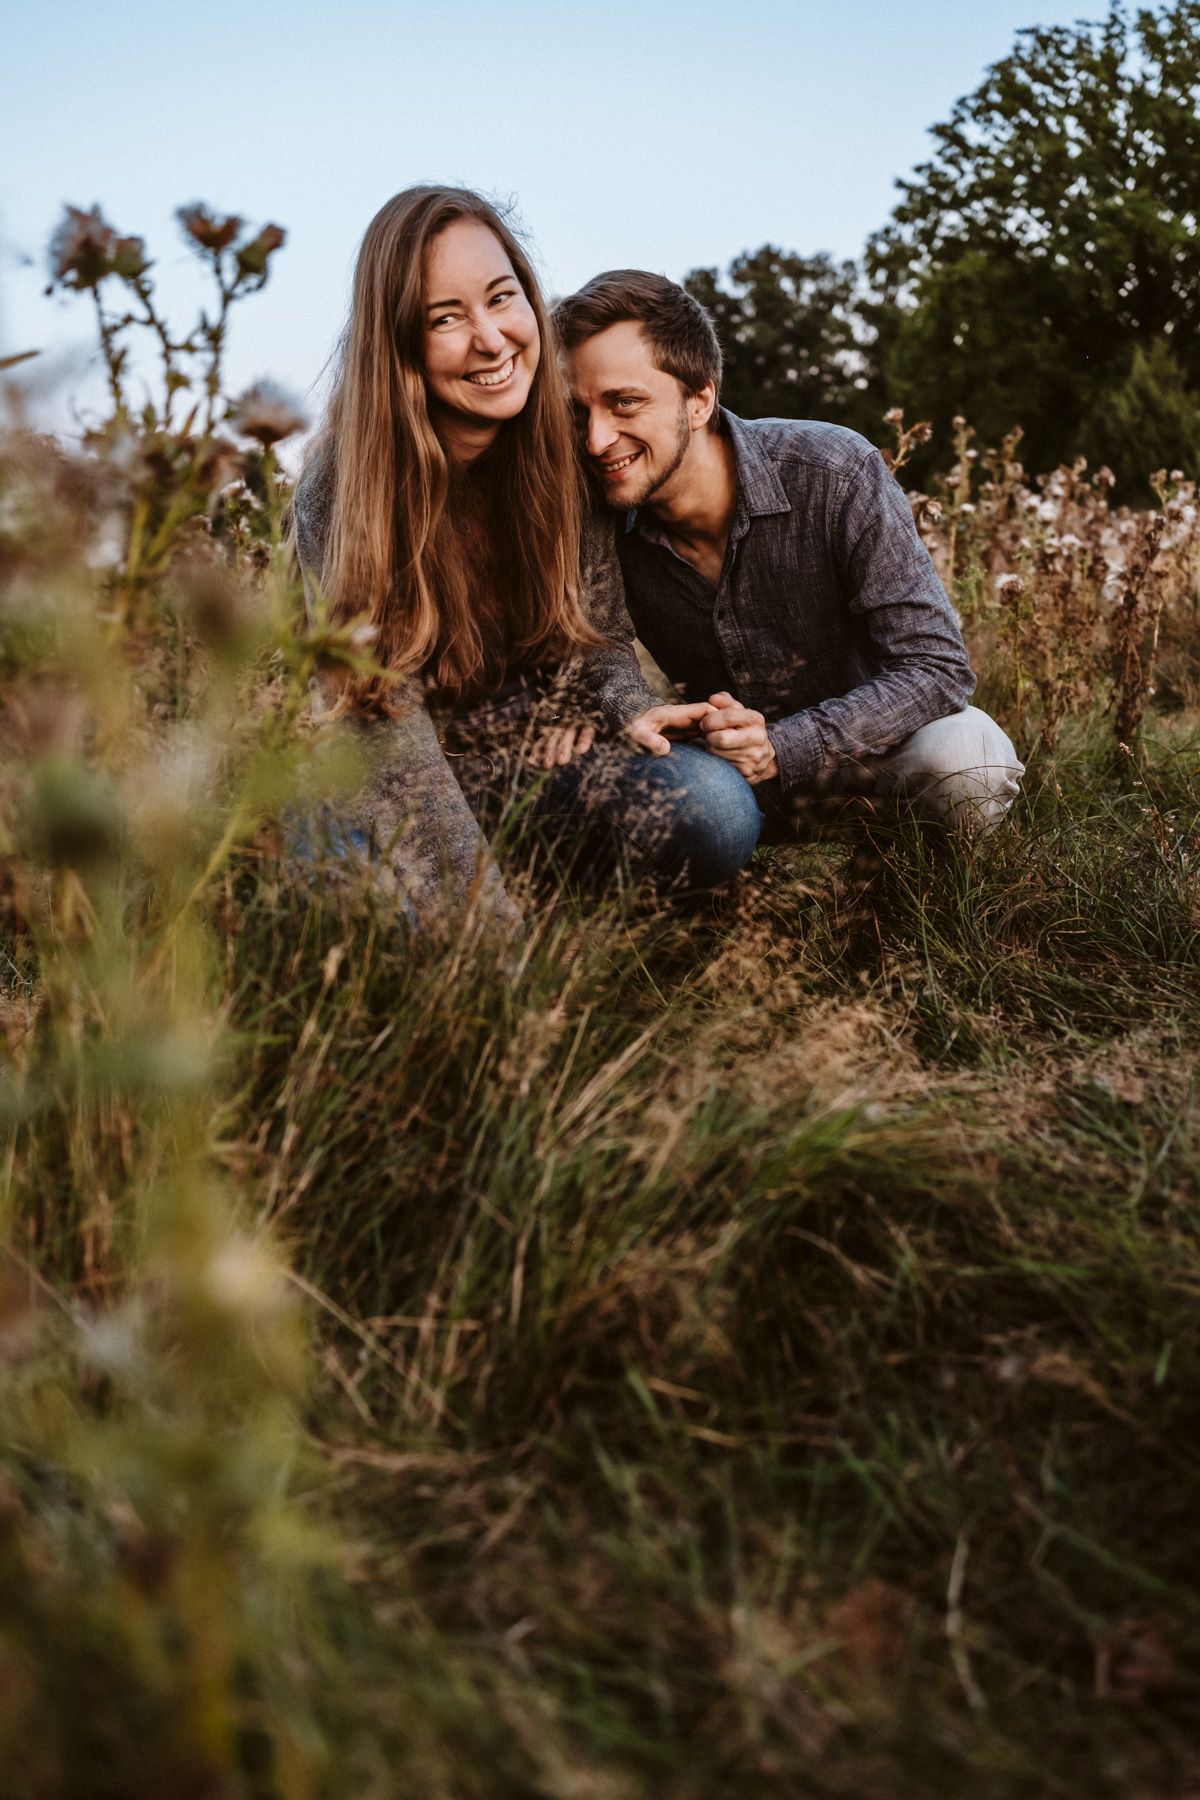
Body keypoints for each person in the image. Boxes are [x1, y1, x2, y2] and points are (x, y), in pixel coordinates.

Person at [292, 190, 761, 934]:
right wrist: (489, 936)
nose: (491, 340)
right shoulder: (342, 492)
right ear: (399, 342)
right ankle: (490, 905)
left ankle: (543, 889)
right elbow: (383, 729)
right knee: (337, 898)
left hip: (535, 770)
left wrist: (622, 709)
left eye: (501, 297)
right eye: (445, 319)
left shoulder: (566, 450)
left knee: (717, 810)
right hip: (398, 777)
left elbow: (598, 635)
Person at [554, 271, 1024, 838]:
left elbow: (936, 666)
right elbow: (599, 644)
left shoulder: (835, 471)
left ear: (700, 399)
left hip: (875, 756)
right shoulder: (593, 508)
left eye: (625, 403)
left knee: (969, 758)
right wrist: (637, 712)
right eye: (578, 412)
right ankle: (733, 845)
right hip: (725, 774)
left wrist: (784, 746)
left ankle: (895, 858)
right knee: (614, 794)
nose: (595, 439)